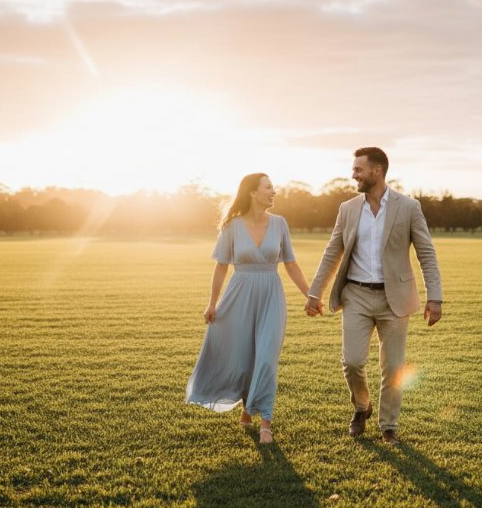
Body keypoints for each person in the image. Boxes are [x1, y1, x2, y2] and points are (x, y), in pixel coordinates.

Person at [305, 147, 442, 445]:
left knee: (393, 367)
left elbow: (426, 253)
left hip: (396, 298)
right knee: (352, 361)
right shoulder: (348, 208)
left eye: (358, 169)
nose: (353, 174)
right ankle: (361, 407)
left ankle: (389, 425)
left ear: (377, 171)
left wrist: (435, 297)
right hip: (356, 295)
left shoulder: (409, 207)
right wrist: (315, 292)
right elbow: (333, 251)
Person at [186, 173, 311, 444]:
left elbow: (290, 263)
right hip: (238, 295)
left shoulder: (280, 224)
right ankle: (246, 407)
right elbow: (221, 266)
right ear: (252, 193)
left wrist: (310, 295)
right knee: (243, 355)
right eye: (268, 187)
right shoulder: (232, 226)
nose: (274, 192)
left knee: (266, 356)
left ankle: (265, 420)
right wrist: (212, 303)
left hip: (271, 295)